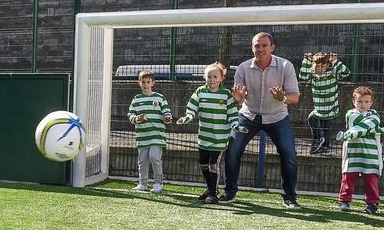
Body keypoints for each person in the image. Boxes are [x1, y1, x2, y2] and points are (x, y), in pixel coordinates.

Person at [223, 32, 302, 208]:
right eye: (257, 46)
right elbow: (239, 100)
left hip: (277, 116)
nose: (260, 49)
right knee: (232, 150)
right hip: (248, 114)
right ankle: (229, 192)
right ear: (252, 48)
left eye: (264, 45)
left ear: (272, 47)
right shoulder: (243, 68)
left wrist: (282, 98)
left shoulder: (285, 65)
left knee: (289, 154)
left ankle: (290, 196)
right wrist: (237, 98)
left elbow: (294, 97)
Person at [176, 62, 241, 204]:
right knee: (203, 165)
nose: (211, 79)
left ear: (221, 78)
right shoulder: (200, 92)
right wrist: (187, 117)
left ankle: (212, 194)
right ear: (205, 77)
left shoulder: (226, 95)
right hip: (204, 137)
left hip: (219, 139)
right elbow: (191, 109)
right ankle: (211, 188)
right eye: (209, 76)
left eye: (215, 77)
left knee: (213, 165)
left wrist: (235, 125)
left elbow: (232, 114)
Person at [337, 86, 384, 215]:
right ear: (354, 102)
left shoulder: (374, 115)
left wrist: (347, 134)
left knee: (371, 178)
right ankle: (344, 201)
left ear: (371, 102)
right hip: (352, 152)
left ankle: (373, 203)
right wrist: (373, 128)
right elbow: (362, 124)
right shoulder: (350, 114)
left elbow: (369, 124)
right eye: (359, 101)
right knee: (348, 176)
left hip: (370, 153)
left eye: (366, 101)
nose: (363, 104)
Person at [127, 69, 173, 193]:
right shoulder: (136, 99)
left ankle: (158, 183)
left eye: (148, 82)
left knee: (154, 157)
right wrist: (138, 119)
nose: (145, 84)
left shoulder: (160, 98)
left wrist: (167, 118)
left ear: (153, 83)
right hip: (142, 137)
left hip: (157, 136)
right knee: (142, 161)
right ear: (139, 83)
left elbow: (167, 113)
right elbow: (131, 115)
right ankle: (143, 183)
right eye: (143, 82)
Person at [299, 52, 351, 154]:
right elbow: (303, 76)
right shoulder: (313, 75)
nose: (320, 69)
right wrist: (306, 60)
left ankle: (323, 144)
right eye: (317, 66)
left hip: (330, 107)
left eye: (323, 66)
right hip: (319, 107)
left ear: (327, 65)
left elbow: (346, 73)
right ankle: (319, 140)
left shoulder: (332, 73)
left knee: (325, 126)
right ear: (313, 66)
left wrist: (335, 61)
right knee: (312, 119)